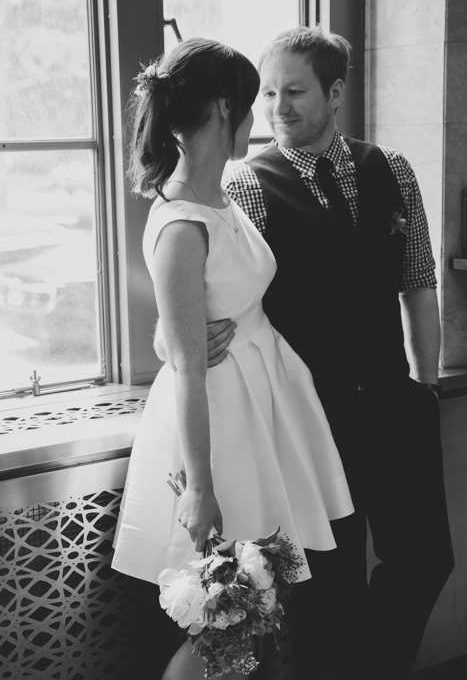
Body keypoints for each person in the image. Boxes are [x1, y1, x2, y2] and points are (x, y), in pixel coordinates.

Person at [205, 26, 454, 680]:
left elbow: (418, 280)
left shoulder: (391, 170)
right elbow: (227, 295)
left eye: (293, 91)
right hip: (306, 418)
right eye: (267, 93)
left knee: (427, 560)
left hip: (393, 400)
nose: (275, 107)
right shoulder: (247, 185)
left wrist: (424, 383)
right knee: (327, 583)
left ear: (335, 91)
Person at [111, 37, 354, 680]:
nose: (258, 118)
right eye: (250, 104)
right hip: (219, 428)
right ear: (224, 109)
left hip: (260, 412)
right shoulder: (182, 223)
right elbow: (189, 364)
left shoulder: (221, 197)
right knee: (229, 615)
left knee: (263, 612)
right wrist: (201, 489)